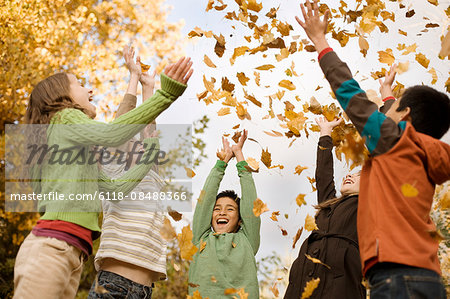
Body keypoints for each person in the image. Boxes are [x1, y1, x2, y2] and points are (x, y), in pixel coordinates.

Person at [295, 1, 450, 298]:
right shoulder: (432, 152)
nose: (382, 112)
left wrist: (321, 42)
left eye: (388, 110)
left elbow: (349, 92)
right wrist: (389, 95)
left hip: (394, 278)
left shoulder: (391, 139)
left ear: (402, 117)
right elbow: (403, 129)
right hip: (429, 276)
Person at [13, 48, 193, 299]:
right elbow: (113, 134)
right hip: (52, 247)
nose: (89, 90)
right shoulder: (63, 117)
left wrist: (150, 153)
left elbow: (116, 189)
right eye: (79, 84)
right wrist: (165, 94)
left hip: (73, 254)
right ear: (61, 96)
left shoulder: (82, 156)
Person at [87, 47, 168, 299]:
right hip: (111, 284)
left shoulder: (152, 174)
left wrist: (148, 87)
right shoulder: (112, 173)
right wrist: (132, 78)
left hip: (144, 291)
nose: (136, 141)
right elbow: (122, 123)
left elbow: (148, 123)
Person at [284, 116, 365, 299]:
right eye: (350, 173)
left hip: (340, 278)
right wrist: (325, 132)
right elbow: (324, 175)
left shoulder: (368, 205)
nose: (349, 176)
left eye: (360, 174)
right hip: (304, 273)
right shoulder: (329, 204)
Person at [188, 130, 261, 298]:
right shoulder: (201, 239)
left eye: (230, 209)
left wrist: (239, 156)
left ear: (240, 220)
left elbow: (250, 204)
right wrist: (222, 163)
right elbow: (204, 202)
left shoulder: (247, 241)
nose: (222, 212)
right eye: (217, 208)